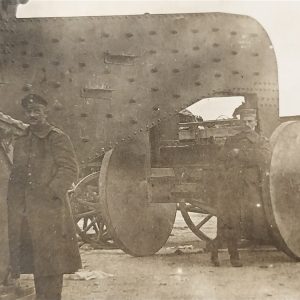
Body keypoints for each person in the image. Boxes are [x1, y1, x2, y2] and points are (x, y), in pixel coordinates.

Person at [6, 94, 82, 299]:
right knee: (38, 263)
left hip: (51, 213)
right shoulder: (21, 140)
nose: (33, 115)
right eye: (29, 111)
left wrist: (50, 193)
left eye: (37, 111)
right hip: (28, 213)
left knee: (51, 265)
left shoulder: (57, 138)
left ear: (45, 113)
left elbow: (70, 169)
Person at [211, 108, 271, 267]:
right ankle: (233, 256)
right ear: (240, 122)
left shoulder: (261, 141)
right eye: (244, 121)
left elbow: (263, 158)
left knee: (253, 219)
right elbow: (221, 158)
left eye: (250, 121)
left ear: (255, 123)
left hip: (252, 187)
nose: (247, 124)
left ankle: (221, 248)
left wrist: (239, 153)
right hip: (233, 186)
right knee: (231, 221)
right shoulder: (232, 140)